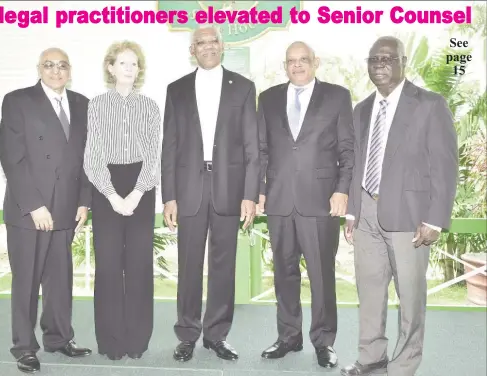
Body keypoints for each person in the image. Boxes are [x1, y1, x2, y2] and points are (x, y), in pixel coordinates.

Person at [341, 36, 458, 376]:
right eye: (374, 58)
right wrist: (352, 210)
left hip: (410, 219)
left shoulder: (430, 105)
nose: (380, 63)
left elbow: (445, 165)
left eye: (389, 58)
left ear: (404, 62)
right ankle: (371, 358)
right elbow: (356, 163)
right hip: (365, 216)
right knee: (370, 293)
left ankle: (403, 366)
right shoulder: (361, 109)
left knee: (410, 298)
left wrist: (435, 219)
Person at [161, 25, 260, 362]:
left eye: (212, 41)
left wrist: (250, 194)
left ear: (222, 46)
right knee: (188, 265)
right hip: (189, 187)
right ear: (193, 49)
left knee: (223, 266)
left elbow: (252, 146)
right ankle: (187, 333)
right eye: (200, 42)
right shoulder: (176, 90)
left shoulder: (244, 88)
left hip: (229, 189)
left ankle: (217, 334)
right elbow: (169, 146)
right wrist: (168, 196)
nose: (207, 47)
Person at [256, 41, 354, 368]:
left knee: (321, 275)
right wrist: (259, 190)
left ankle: (324, 342)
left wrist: (342, 190)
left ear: (316, 62)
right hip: (280, 201)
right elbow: (262, 151)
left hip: (321, 203)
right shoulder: (267, 99)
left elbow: (347, 151)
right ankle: (288, 336)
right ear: (285, 65)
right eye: (291, 61)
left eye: (303, 60)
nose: (297, 66)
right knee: (283, 273)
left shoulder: (337, 96)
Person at [0, 47, 93, 373]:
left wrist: (84, 200)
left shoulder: (83, 104)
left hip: (67, 209)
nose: (56, 71)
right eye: (49, 65)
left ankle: (59, 337)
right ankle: (24, 347)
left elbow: (86, 160)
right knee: (27, 282)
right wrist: (34, 205)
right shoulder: (17, 101)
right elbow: (12, 158)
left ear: (70, 70)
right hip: (30, 210)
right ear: (38, 68)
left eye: (62, 65)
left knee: (60, 279)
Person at [83, 40, 161, 361]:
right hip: (107, 189)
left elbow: (155, 155)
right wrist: (113, 195)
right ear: (110, 67)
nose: (129, 69)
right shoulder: (97, 105)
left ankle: (137, 341)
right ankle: (112, 341)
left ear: (139, 70)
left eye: (134, 64)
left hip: (142, 187)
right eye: (123, 63)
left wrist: (138, 192)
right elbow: (92, 155)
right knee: (110, 266)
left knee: (140, 265)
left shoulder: (151, 107)